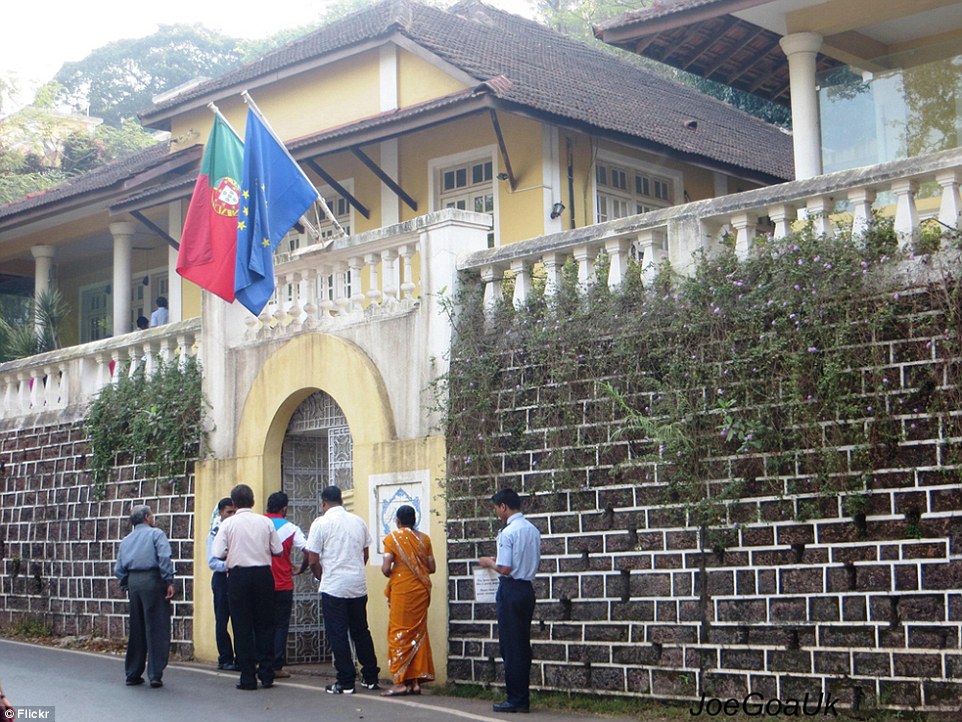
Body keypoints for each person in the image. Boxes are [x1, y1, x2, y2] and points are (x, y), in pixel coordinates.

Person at [305, 485, 380, 694]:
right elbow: (365, 554)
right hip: (357, 585)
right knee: (360, 631)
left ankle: (346, 680)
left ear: (323, 503)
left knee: (338, 633)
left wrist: (321, 575)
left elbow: (312, 558)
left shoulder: (321, 523)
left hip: (334, 586)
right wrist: (353, 570)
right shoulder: (358, 522)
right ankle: (371, 676)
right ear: (342, 501)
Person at [212, 483, 282, 691]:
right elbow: (277, 550)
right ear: (252, 501)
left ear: (234, 503)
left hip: (238, 576)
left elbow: (218, 552)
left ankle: (247, 677)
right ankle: (267, 673)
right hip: (262, 575)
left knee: (242, 626)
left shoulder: (228, 524)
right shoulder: (265, 522)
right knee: (265, 625)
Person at [479, 488, 541, 714]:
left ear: (503, 507)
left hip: (511, 589)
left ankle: (516, 699)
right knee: (522, 643)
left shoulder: (507, 533)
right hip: (526, 589)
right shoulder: (532, 530)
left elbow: (505, 568)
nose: (497, 513)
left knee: (511, 646)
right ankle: (521, 696)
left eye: (497, 508)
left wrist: (489, 562)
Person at [114, 504, 175, 689]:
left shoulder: (126, 540)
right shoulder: (156, 534)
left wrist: (126, 582)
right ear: (147, 517)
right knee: (156, 626)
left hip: (134, 581)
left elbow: (119, 568)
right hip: (152, 580)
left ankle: (133, 672)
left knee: (137, 627)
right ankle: (155, 674)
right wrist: (169, 580)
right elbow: (164, 558)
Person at [379, 504, 435, 697]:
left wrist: (397, 568)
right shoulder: (424, 539)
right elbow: (432, 567)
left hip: (402, 591)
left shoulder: (392, 539)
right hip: (420, 591)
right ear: (415, 520)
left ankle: (400, 683)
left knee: (399, 634)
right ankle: (415, 681)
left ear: (398, 521)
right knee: (417, 633)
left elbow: (386, 568)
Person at [265, 491, 308, 678]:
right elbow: (308, 550)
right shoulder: (291, 528)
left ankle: (261, 662)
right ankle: (276, 666)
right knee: (281, 625)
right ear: (284, 509)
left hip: (262, 583)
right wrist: (302, 568)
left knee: (262, 624)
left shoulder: (259, 523)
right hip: (283, 583)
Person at [207, 497, 237, 671]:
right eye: (228, 512)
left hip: (237, 577)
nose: (232, 515)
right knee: (222, 619)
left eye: (234, 511)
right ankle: (225, 657)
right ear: (221, 513)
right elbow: (212, 562)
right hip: (221, 579)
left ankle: (241, 656)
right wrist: (230, 564)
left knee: (239, 618)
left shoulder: (238, 530)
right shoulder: (215, 533)